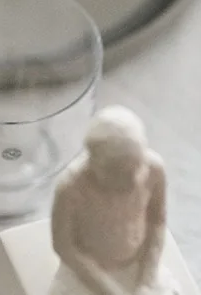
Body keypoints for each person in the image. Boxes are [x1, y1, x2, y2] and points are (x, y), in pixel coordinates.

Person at [50, 106, 174, 295]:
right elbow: (64, 246)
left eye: (138, 167)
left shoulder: (155, 170)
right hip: (86, 271)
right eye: (122, 174)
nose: (134, 181)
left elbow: (157, 222)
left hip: (137, 264)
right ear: (95, 165)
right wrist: (106, 288)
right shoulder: (70, 188)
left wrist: (147, 281)